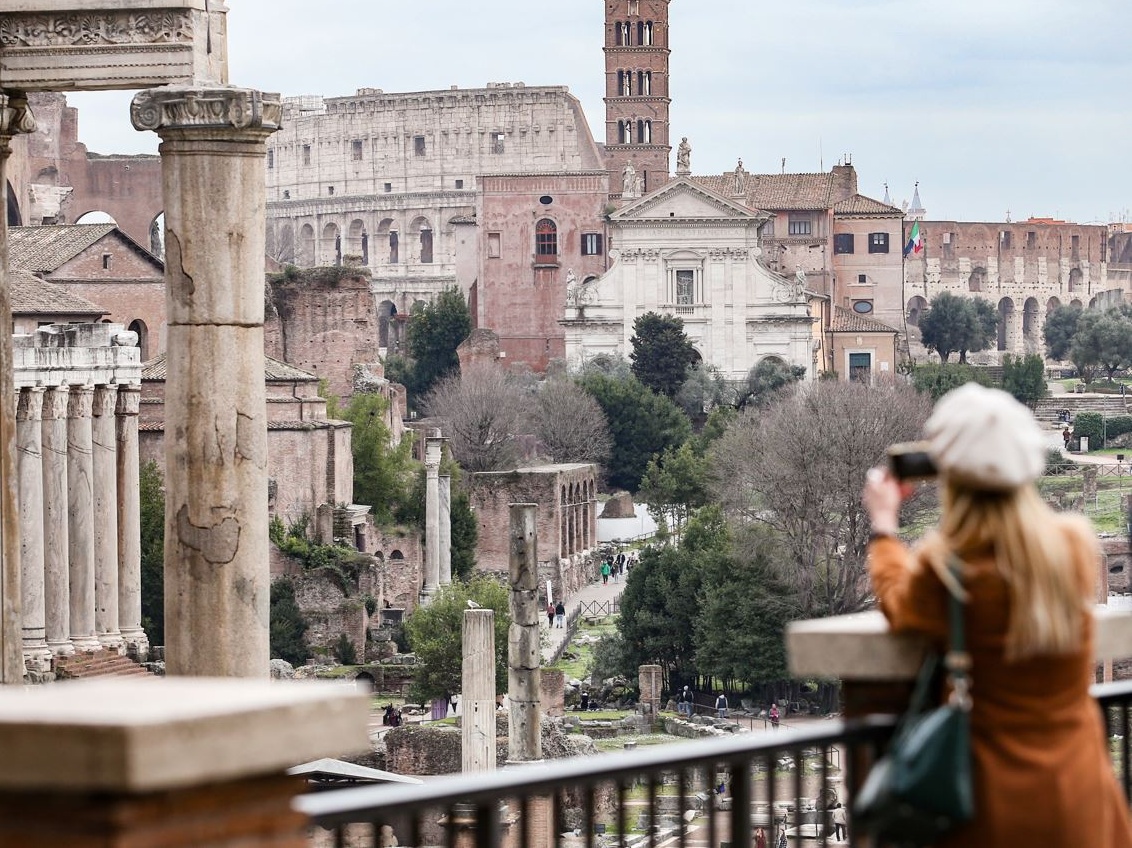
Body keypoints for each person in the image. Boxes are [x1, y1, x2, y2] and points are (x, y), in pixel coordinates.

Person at [861, 383, 1132, 848]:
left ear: (948, 474)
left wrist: (884, 527)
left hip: (994, 801)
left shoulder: (948, 571)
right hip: (1079, 791)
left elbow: (899, 601)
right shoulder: (1069, 547)